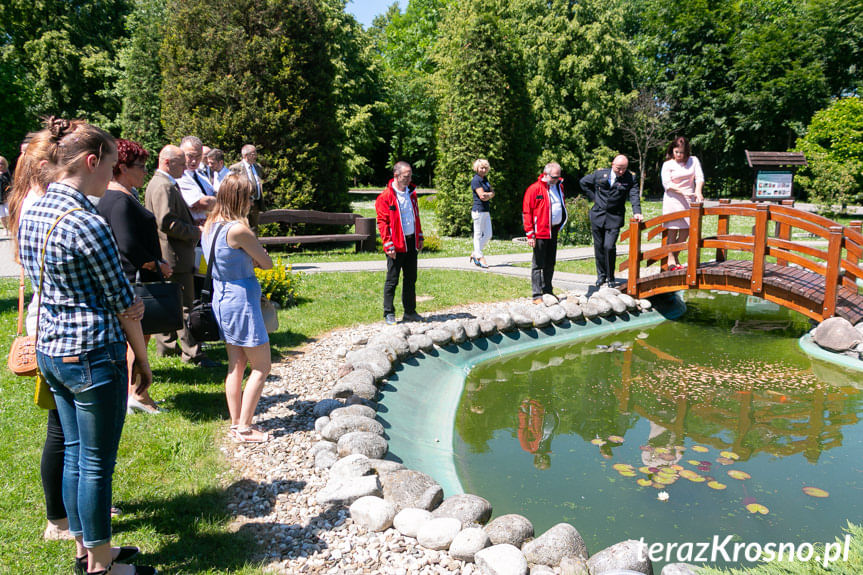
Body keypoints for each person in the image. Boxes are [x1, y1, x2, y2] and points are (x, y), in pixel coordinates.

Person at [19, 117, 155, 575]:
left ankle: (85, 548)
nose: (113, 177)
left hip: (52, 351)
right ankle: (101, 563)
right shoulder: (85, 221)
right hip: (93, 353)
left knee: (76, 452)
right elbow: (125, 303)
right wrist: (143, 360)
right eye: (113, 166)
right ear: (93, 162)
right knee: (96, 463)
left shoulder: (31, 210)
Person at [98, 139, 173, 414]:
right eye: (140, 167)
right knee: (137, 342)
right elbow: (127, 244)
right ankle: (137, 395)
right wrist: (156, 264)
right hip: (134, 282)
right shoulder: (118, 199)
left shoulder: (119, 195)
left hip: (132, 279)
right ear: (122, 168)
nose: (144, 172)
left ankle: (134, 394)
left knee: (137, 340)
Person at [201, 174, 273, 443]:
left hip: (222, 298)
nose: (253, 202)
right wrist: (251, 261)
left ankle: (235, 424)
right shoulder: (239, 230)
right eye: (250, 197)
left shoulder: (210, 225)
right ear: (241, 199)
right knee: (262, 366)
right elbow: (266, 263)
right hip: (241, 302)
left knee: (236, 364)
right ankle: (244, 427)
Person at [145, 145, 220, 368]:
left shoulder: (163, 183)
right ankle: (193, 353)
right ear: (166, 162)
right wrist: (193, 231)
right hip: (174, 255)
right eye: (181, 161)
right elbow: (165, 222)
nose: (186, 165)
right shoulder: (164, 185)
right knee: (184, 306)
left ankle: (167, 349)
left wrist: (190, 223)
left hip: (172, 254)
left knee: (169, 304)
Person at [579, 155, 643, 287]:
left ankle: (610, 276)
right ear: (613, 164)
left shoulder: (630, 178)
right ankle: (601, 276)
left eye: (624, 169)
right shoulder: (600, 174)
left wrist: (637, 211)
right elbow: (583, 182)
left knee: (609, 246)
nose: (621, 171)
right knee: (599, 247)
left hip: (615, 217)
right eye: (619, 168)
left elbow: (634, 195)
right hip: (598, 215)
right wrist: (594, 198)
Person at [376, 161, 424, 325]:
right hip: (396, 245)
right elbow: (382, 223)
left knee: (411, 279)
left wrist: (420, 236)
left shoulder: (412, 194)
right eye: (406, 176)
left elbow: (415, 217)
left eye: (410, 175)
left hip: (411, 243)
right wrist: (388, 245)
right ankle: (388, 312)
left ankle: (410, 312)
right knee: (392, 279)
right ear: (396, 175)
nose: (409, 179)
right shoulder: (385, 197)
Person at [523, 162, 567, 304]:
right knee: (538, 263)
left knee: (550, 262)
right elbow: (527, 212)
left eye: (558, 177)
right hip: (539, 231)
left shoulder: (558, 186)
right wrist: (530, 234)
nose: (557, 179)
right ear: (546, 175)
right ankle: (536, 294)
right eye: (554, 177)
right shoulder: (534, 189)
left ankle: (547, 290)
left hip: (553, 230)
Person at [661, 136, 704, 270]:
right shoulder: (668, 164)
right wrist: (682, 191)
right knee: (673, 230)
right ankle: (671, 259)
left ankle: (675, 254)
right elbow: (667, 184)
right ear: (672, 150)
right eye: (676, 152)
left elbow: (699, 177)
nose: (679, 155)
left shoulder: (694, 160)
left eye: (682, 152)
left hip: (689, 199)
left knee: (686, 230)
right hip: (673, 199)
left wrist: (698, 191)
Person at [177, 136, 215, 224]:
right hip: (193, 230)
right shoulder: (179, 176)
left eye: (198, 156)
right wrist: (220, 202)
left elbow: (210, 198)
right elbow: (203, 203)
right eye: (190, 156)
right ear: (181, 154)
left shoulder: (201, 175)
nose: (194, 161)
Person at [229, 144, 265, 229]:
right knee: (243, 229)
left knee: (254, 230)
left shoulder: (258, 167)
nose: (255, 156)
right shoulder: (235, 168)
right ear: (245, 155)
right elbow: (233, 188)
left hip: (256, 205)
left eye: (256, 154)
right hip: (242, 205)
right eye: (253, 154)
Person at [469, 159, 494, 269]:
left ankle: (475, 252)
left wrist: (488, 194)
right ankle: (480, 257)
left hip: (486, 210)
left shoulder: (485, 179)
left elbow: (492, 192)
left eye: (485, 168)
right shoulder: (476, 180)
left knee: (488, 234)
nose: (483, 170)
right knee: (478, 235)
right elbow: (482, 196)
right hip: (478, 211)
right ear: (477, 168)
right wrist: (489, 194)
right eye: (481, 168)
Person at [0, 156, 11, 234]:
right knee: (1, 214)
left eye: (2, 164)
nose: (0, 165)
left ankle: (9, 227)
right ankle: (5, 228)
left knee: (7, 212)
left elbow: (9, 183)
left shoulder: (7, 173)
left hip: (6, 195)